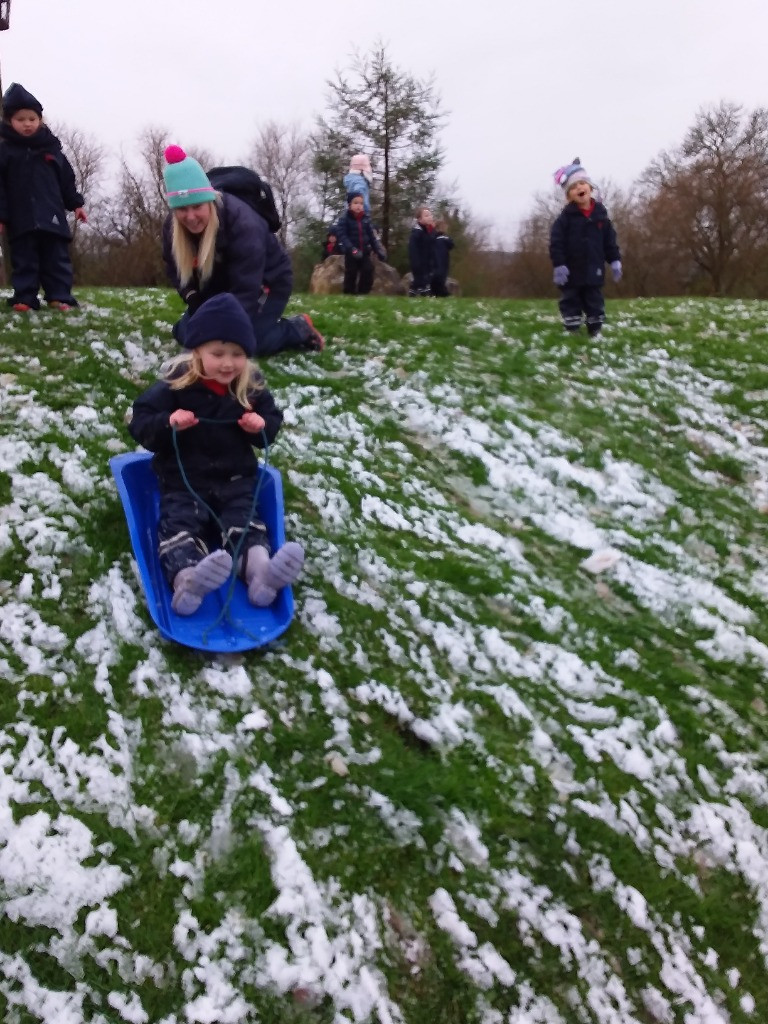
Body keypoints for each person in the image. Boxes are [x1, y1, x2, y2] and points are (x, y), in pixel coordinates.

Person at [128, 293, 305, 616]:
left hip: (235, 477)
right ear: (197, 351)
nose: (227, 363)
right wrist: (168, 423)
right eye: (218, 353)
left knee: (246, 524)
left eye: (237, 354)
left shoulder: (250, 387)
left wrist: (260, 426)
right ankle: (189, 580)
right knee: (179, 526)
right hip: (183, 479)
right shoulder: (176, 385)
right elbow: (141, 420)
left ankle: (262, 574)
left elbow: (272, 424)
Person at [161, 145, 324, 356]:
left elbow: (247, 288)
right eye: (182, 209)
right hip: (220, 284)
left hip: (265, 284)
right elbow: (173, 267)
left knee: (246, 343)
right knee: (187, 334)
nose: (190, 217)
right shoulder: (171, 227)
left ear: (209, 201)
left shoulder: (243, 222)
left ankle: (298, 328)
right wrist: (193, 299)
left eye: (197, 207)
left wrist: (221, 329)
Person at [0, 83, 87, 312]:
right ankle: (25, 298)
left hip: (52, 216)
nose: (27, 124)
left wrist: (76, 204)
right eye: (21, 119)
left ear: (39, 119)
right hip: (21, 218)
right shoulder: (5, 152)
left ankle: (59, 296)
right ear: (10, 121)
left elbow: (67, 180)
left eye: (32, 118)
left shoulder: (52, 150)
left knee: (56, 261)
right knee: (24, 261)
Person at [549, 157, 622, 338]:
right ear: (569, 196)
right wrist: (559, 265)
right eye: (573, 187)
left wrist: (614, 261)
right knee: (570, 300)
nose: (579, 188)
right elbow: (556, 243)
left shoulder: (601, 217)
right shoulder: (565, 219)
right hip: (571, 272)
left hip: (594, 270)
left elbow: (609, 241)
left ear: (590, 187)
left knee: (594, 301)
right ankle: (572, 328)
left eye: (582, 184)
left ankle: (595, 329)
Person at [335, 192, 387, 295]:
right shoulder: (344, 219)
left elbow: (371, 237)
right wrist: (352, 249)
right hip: (351, 253)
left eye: (361, 203)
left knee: (368, 270)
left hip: (364, 252)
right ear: (350, 205)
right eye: (356, 203)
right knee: (351, 272)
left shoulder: (366, 219)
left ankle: (363, 294)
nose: (359, 206)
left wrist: (378, 250)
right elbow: (343, 236)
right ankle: (349, 294)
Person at [408, 206, 435, 296]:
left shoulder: (427, 232)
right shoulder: (417, 233)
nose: (430, 217)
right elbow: (413, 249)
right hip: (419, 264)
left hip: (427, 264)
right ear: (419, 219)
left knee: (423, 284)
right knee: (420, 283)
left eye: (430, 215)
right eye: (426, 215)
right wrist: (416, 263)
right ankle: (416, 293)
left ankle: (416, 292)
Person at [431, 219, 454, 297]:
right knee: (440, 278)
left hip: (434, 263)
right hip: (442, 262)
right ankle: (443, 293)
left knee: (436, 278)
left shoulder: (433, 238)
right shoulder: (444, 239)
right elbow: (451, 244)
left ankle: (436, 293)